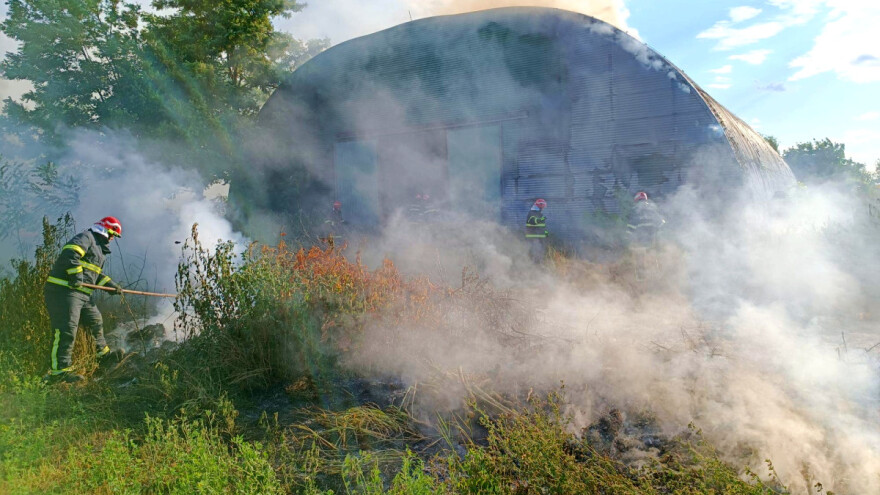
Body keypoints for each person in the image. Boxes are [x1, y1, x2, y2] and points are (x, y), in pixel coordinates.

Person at [43, 217, 125, 383]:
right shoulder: (87, 237)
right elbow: (70, 253)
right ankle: (59, 371)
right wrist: (76, 276)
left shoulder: (99, 250)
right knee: (67, 329)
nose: (111, 239)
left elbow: (94, 275)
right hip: (64, 290)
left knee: (95, 321)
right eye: (111, 235)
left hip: (82, 294)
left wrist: (111, 286)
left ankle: (103, 356)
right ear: (104, 230)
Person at [627, 192, 665, 280]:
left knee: (640, 257)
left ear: (636, 200)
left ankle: (641, 278)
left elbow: (631, 225)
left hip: (641, 238)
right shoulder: (652, 208)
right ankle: (658, 276)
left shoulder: (635, 209)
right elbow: (661, 222)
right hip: (653, 237)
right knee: (655, 255)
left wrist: (628, 237)